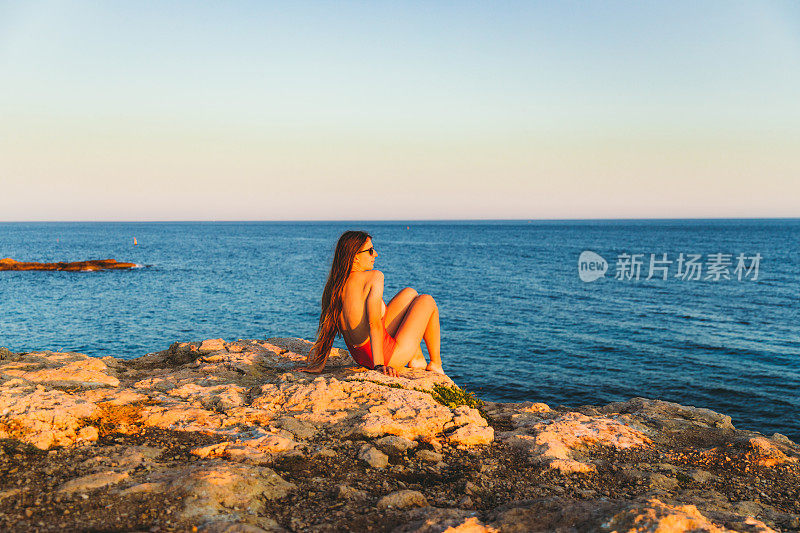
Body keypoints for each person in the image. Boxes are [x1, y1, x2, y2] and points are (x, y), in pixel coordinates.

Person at [298, 230, 444, 377]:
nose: (376, 254)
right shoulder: (374, 277)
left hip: (361, 356)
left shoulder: (335, 285)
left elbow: (328, 328)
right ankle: (436, 364)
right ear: (355, 257)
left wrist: (319, 365)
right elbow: (374, 323)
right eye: (370, 251)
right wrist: (379, 365)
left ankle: (417, 358)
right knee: (427, 300)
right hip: (385, 357)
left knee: (410, 293)